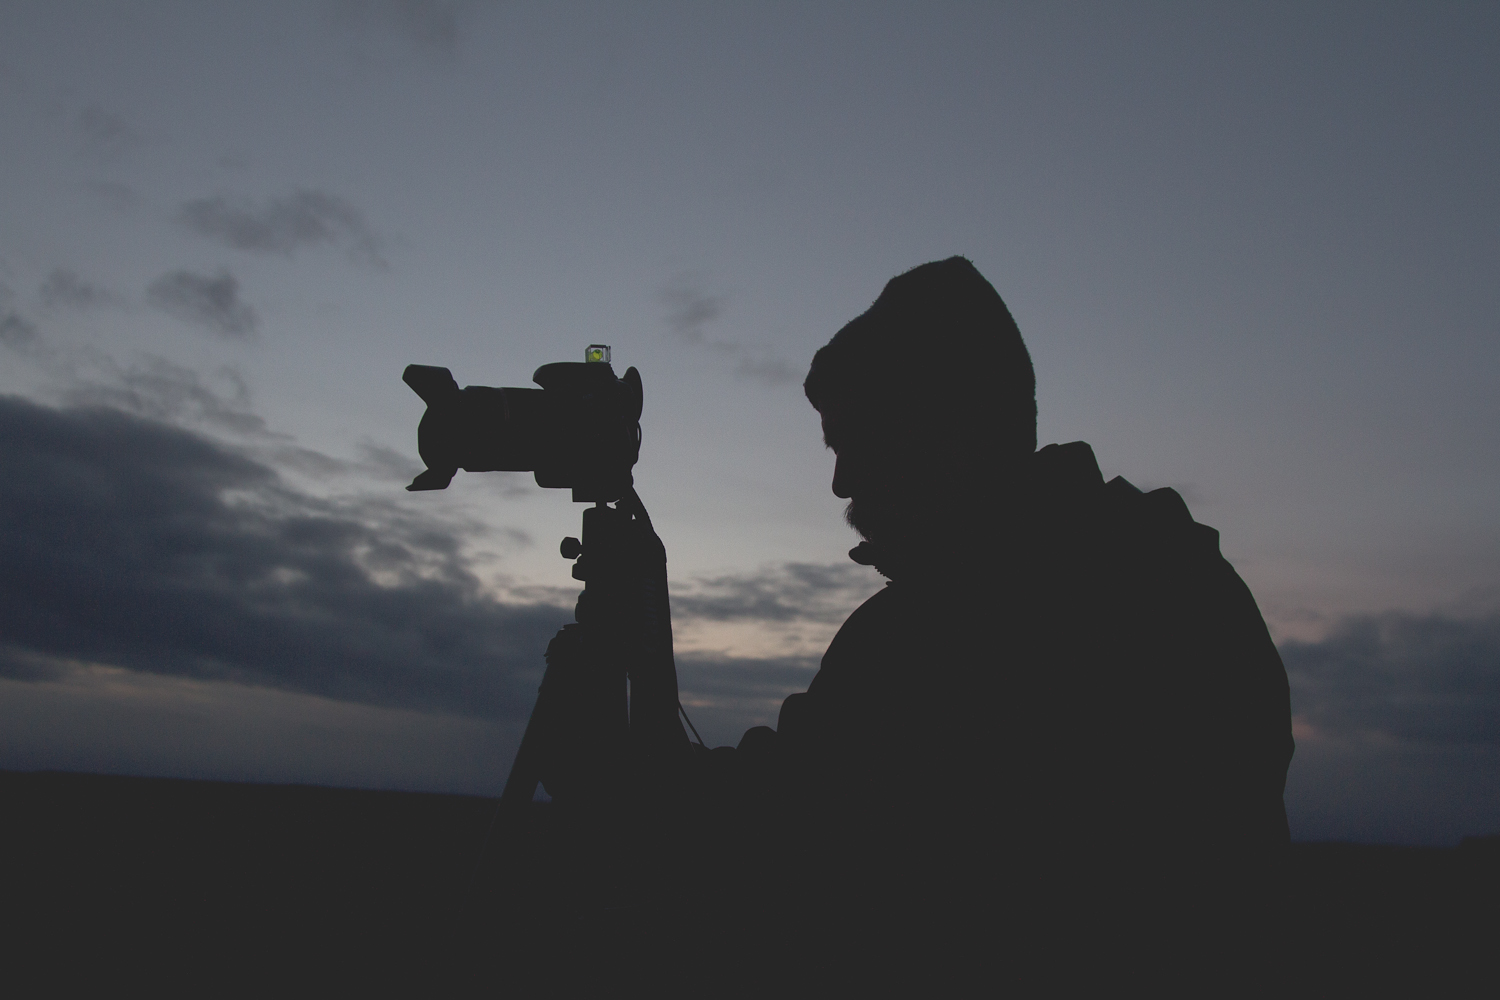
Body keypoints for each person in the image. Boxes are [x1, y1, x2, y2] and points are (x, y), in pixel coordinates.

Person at [536, 257, 1294, 984]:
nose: (840, 481)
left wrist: (614, 764)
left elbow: (789, 854)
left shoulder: (936, 637)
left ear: (945, 431)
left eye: (854, 444)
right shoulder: (1177, 581)